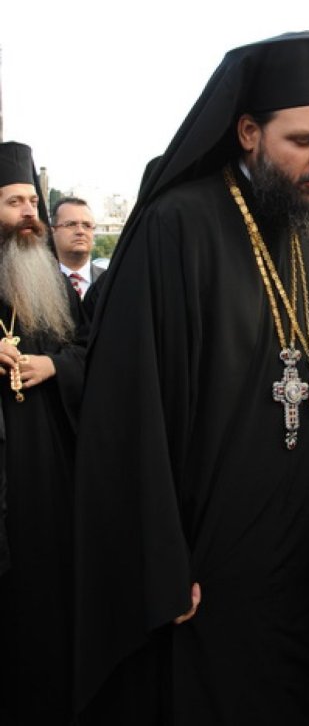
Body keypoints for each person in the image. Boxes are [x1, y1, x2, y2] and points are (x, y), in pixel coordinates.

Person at [73, 32, 309, 726]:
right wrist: (159, 562)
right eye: (303, 140)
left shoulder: (306, 226)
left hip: (306, 551)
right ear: (248, 131)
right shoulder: (177, 226)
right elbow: (130, 406)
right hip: (216, 560)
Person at [0, 141, 88, 725]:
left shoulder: (51, 283)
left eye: (33, 201)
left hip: (48, 472)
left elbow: (89, 350)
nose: (30, 213)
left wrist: (56, 366)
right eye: (15, 202)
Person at [51, 196, 104, 298]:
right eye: (71, 224)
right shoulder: (38, 281)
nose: (80, 231)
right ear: (53, 232)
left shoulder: (110, 281)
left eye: (87, 225)